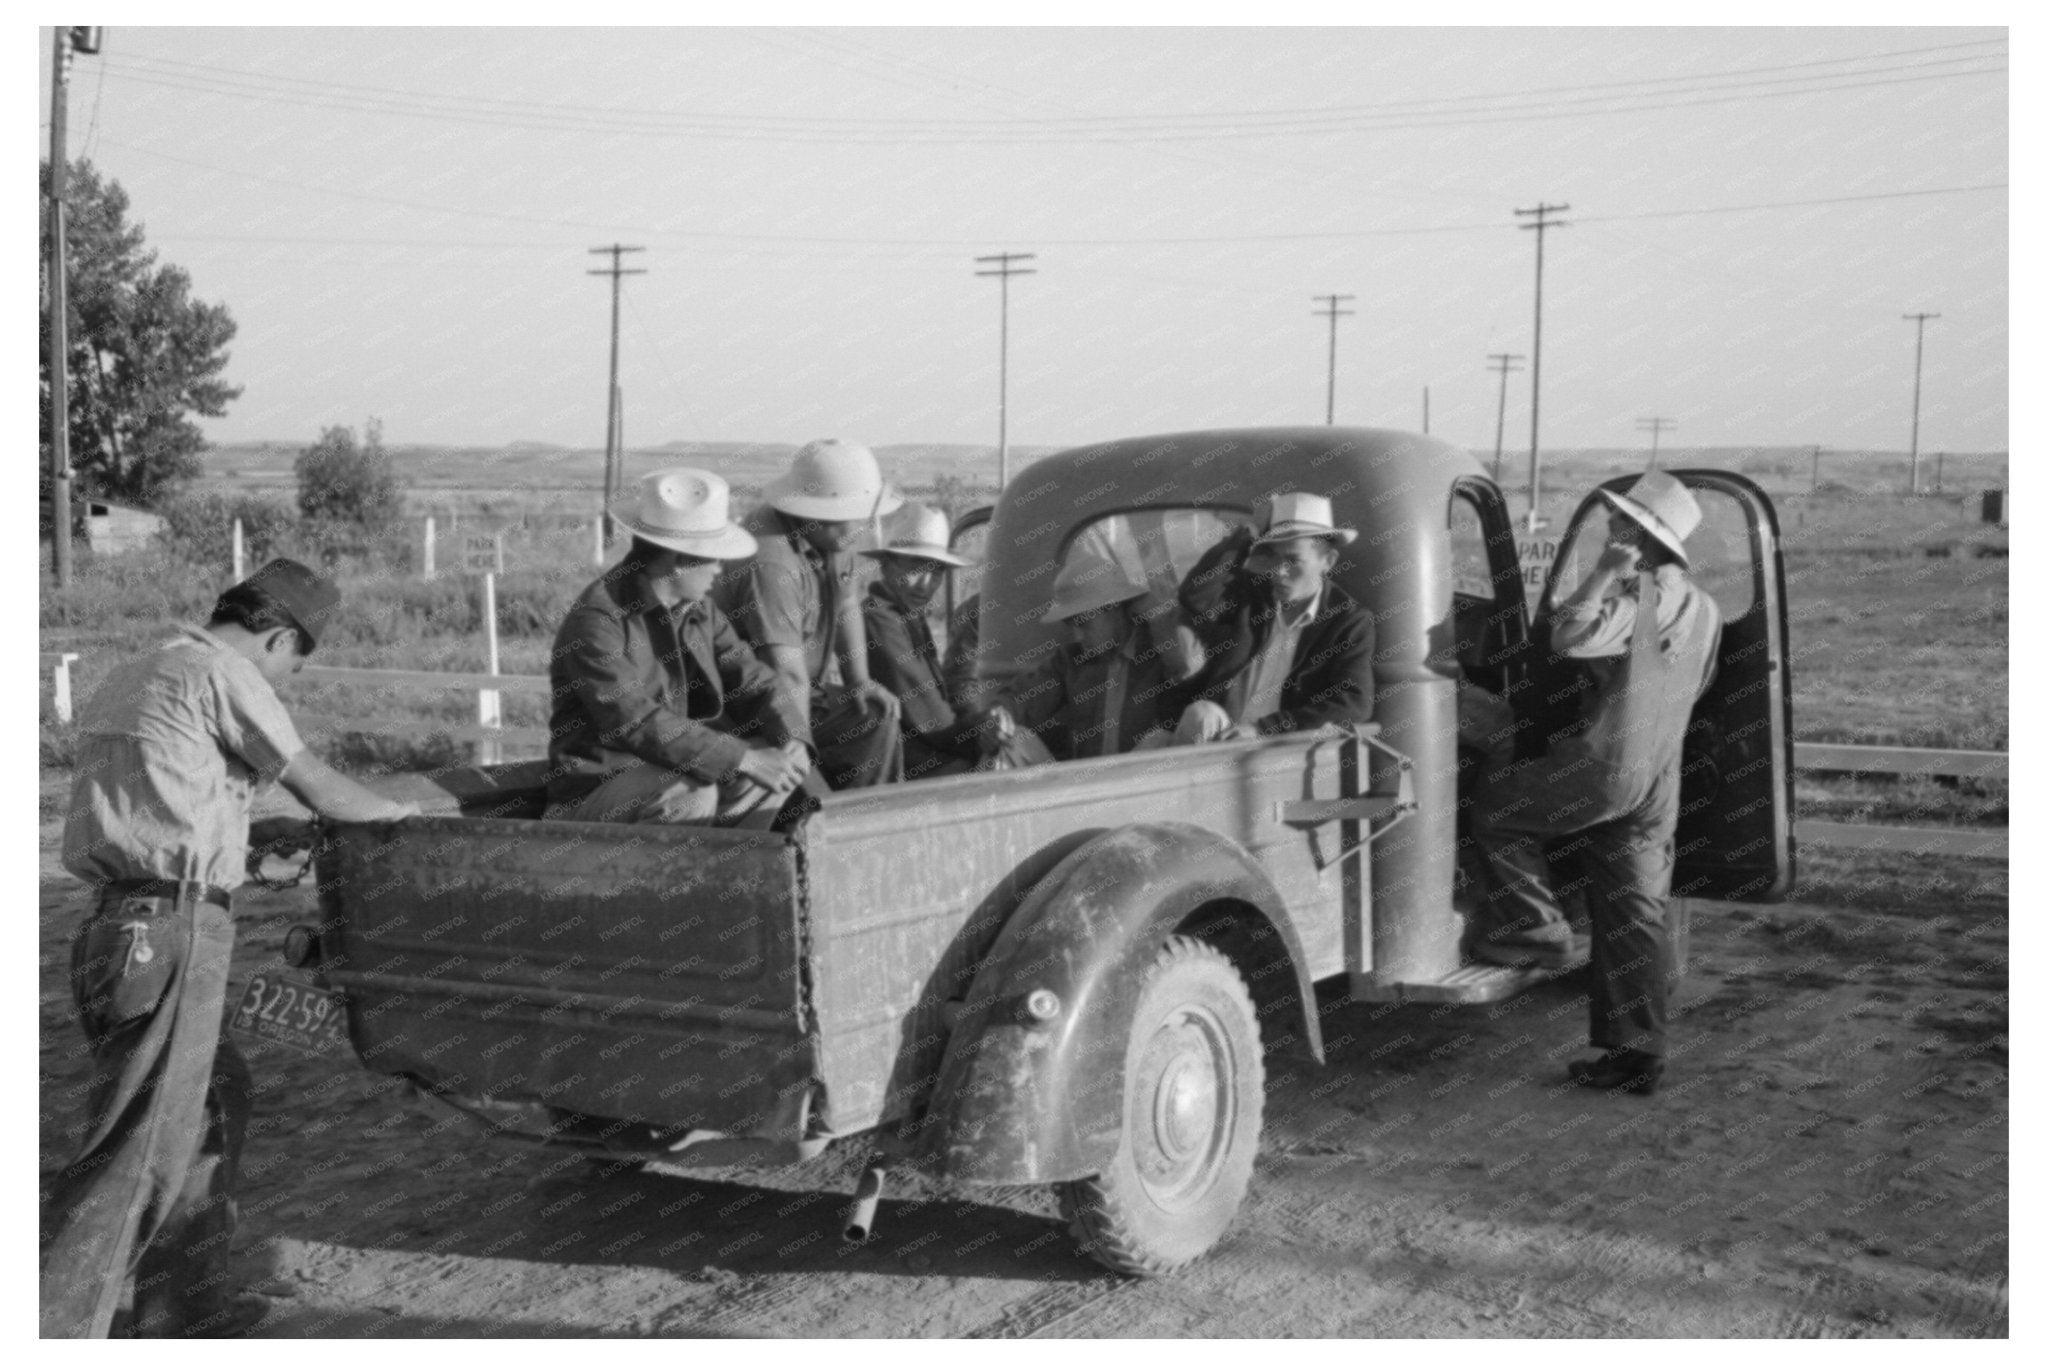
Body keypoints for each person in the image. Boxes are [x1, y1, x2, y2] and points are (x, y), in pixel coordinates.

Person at [42, 559, 420, 1338]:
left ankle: (185, 1311)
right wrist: (403, 820)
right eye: (291, 664)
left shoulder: (138, 671)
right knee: (135, 1149)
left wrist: (243, 851)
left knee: (213, 1099)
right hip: (172, 931)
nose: (284, 680)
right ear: (278, 636)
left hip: (118, 929)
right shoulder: (225, 674)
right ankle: (55, 1328)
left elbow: (156, 817)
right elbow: (318, 783)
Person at [1467, 470, 1723, 1096]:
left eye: (1622, 522)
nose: (1612, 526)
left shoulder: (1638, 599)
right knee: (1633, 911)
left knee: (1496, 809)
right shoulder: (1707, 608)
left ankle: (1537, 929)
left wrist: (1606, 571)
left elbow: (1567, 634)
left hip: (1607, 763)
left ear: (1642, 538)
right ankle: (1637, 1055)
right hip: (1659, 773)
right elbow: (1699, 680)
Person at [546, 467, 813, 824]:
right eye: (713, 558)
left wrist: (792, 736)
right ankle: (674, 877)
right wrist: (742, 758)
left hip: (669, 771)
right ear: (680, 560)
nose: (720, 570)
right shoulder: (598, 622)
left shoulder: (700, 611)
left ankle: (737, 872)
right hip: (593, 792)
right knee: (690, 790)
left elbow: (754, 680)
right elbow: (634, 720)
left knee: (778, 771)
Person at [713, 439, 905, 789]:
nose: (858, 527)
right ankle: (816, 818)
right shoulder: (770, 562)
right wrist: (800, 750)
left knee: (875, 714)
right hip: (750, 705)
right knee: (807, 784)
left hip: (801, 689)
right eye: (849, 517)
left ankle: (867, 818)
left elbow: (846, 604)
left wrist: (858, 680)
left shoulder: (834, 538)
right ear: (812, 514)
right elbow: (786, 675)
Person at [1169, 491, 1375, 741]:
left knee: (1201, 716)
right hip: (1221, 737)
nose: (1278, 571)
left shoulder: (1348, 621)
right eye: (1273, 557)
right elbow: (1196, 595)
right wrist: (1248, 533)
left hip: (1280, 750)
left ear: (1328, 561)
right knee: (1159, 737)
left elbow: (1352, 704)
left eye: (1293, 560)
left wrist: (1264, 729)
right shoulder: (1252, 595)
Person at [985, 558, 1191, 760]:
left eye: (1083, 622)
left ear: (1114, 609)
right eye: (1070, 623)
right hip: (1083, 786)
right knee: (1013, 739)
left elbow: (1185, 670)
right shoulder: (1069, 660)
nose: (1077, 634)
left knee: (1160, 740)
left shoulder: (1158, 652)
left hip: (1141, 786)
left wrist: (1161, 622)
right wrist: (998, 715)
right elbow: (1023, 697)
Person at [858, 504, 1003, 779]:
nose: (927, 584)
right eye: (916, 568)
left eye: (936, 572)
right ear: (887, 565)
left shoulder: (908, 617)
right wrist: (978, 736)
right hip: (896, 753)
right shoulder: (879, 619)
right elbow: (926, 712)